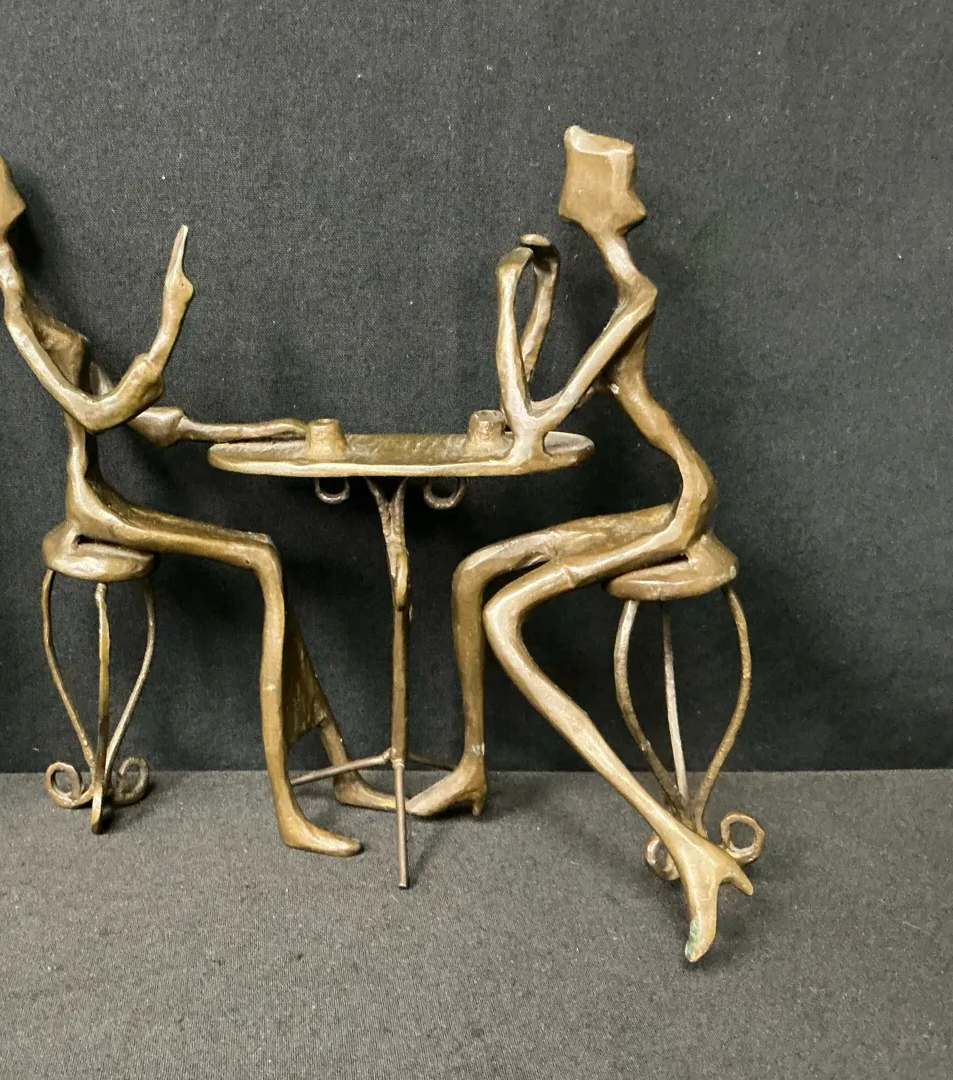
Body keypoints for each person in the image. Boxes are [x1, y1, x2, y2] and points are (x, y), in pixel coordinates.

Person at [0, 145, 384, 855]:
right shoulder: (15, 316)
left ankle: (341, 775)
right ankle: (290, 808)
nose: (5, 200)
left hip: (107, 491)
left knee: (265, 554)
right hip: (89, 504)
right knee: (263, 558)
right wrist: (168, 324)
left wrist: (264, 429)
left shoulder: (36, 307)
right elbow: (96, 414)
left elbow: (151, 423)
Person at [418, 127, 752, 960]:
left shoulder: (635, 297)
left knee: (503, 618)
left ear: (600, 199)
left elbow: (531, 416)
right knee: (472, 572)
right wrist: (538, 301)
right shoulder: (619, 291)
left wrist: (507, 295)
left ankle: (679, 840)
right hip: (672, 497)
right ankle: (472, 766)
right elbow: (536, 409)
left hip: (684, 506)